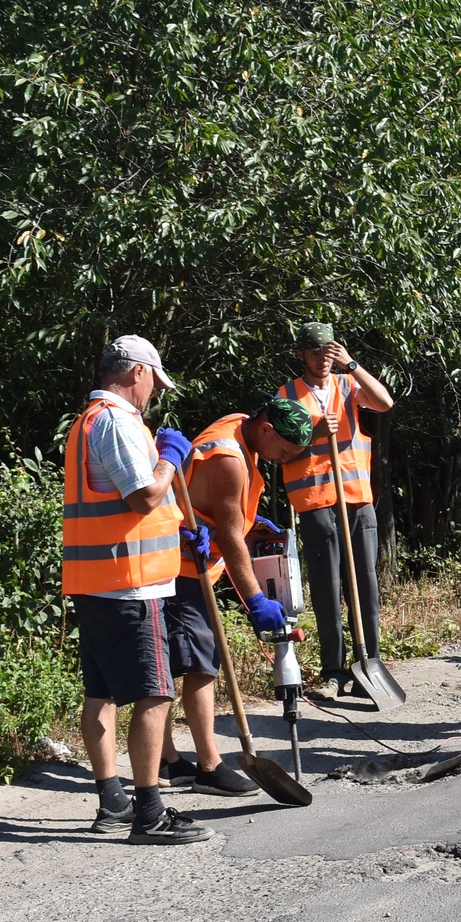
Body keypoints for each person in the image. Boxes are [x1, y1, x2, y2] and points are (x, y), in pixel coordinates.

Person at [60, 336, 208, 845]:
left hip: (95, 581)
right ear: (137, 372)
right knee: (154, 693)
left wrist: (181, 526)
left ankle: (112, 803)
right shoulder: (119, 421)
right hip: (131, 585)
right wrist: (171, 459)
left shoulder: (87, 422)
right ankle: (149, 813)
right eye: (153, 381)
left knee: (100, 693)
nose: (153, 393)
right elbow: (145, 495)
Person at [159, 399, 315, 793]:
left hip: (187, 561)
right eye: (283, 451)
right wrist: (255, 599)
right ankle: (209, 767)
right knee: (200, 663)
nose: (281, 460)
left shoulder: (238, 425)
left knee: (174, 663)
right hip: (179, 566)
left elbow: (219, 512)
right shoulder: (228, 456)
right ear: (265, 429)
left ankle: (169, 761)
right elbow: (228, 537)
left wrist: (248, 522)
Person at [273, 322, 395, 689]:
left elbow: (385, 402)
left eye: (327, 353)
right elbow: (281, 449)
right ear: (300, 355)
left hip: (357, 500)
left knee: (366, 584)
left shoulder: (348, 385)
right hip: (316, 503)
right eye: (314, 353)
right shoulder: (288, 395)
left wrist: (352, 364)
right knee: (327, 588)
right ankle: (333, 672)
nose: (322, 360)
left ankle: (368, 665)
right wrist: (313, 433)